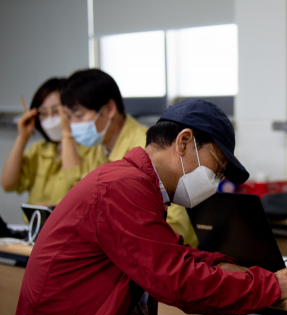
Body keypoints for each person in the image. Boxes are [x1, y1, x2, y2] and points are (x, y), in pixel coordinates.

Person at [9, 99, 287, 315]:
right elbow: (178, 282)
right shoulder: (122, 187)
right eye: (217, 167)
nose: (217, 179)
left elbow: (171, 253)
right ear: (183, 141)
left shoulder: (130, 183)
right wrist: (271, 286)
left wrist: (226, 266)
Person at [60, 68, 199, 248]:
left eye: (78, 116)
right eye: (69, 118)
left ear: (109, 109)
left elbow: (174, 224)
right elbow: (78, 192)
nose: (73, 126)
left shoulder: (148, 147)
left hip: (159, 254)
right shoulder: (97, 148)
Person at [1, 78, 90, 207]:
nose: (50, 118)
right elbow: (7, 184)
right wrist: (22, 138)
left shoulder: (90, 148)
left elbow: (83, 190)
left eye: (56, 111)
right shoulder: (38, 149)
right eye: (43, 113)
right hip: (35, 225)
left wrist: (66, 133)